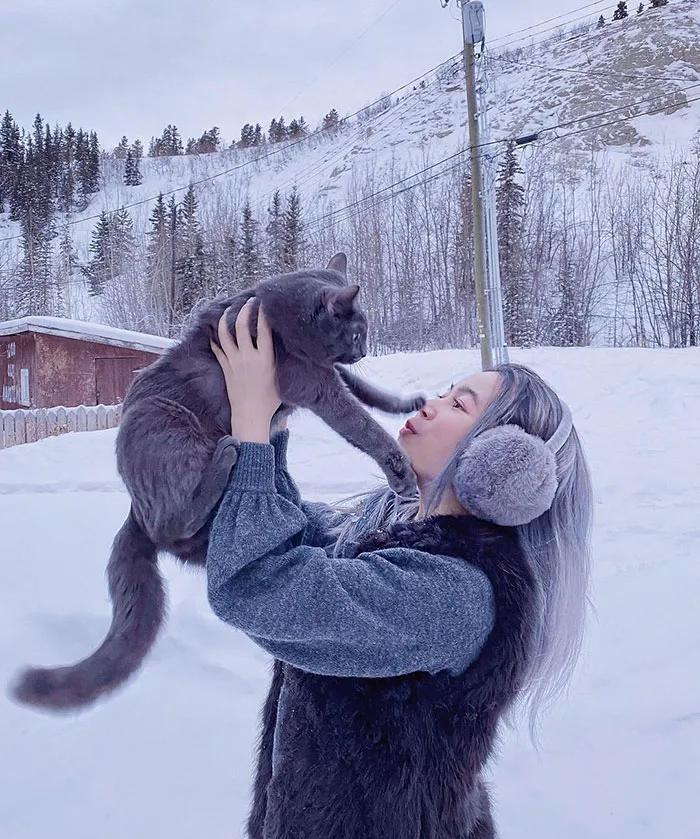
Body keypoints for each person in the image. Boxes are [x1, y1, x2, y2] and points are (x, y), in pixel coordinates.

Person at [207, 300, 593, 839]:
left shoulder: (455, 591)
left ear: (503, 459)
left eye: (460, 405)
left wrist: (250, 426)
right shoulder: (398, 527)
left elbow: (257, 584)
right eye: (445, 390)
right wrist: (273, 416)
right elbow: (294, 537)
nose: (432, 404)